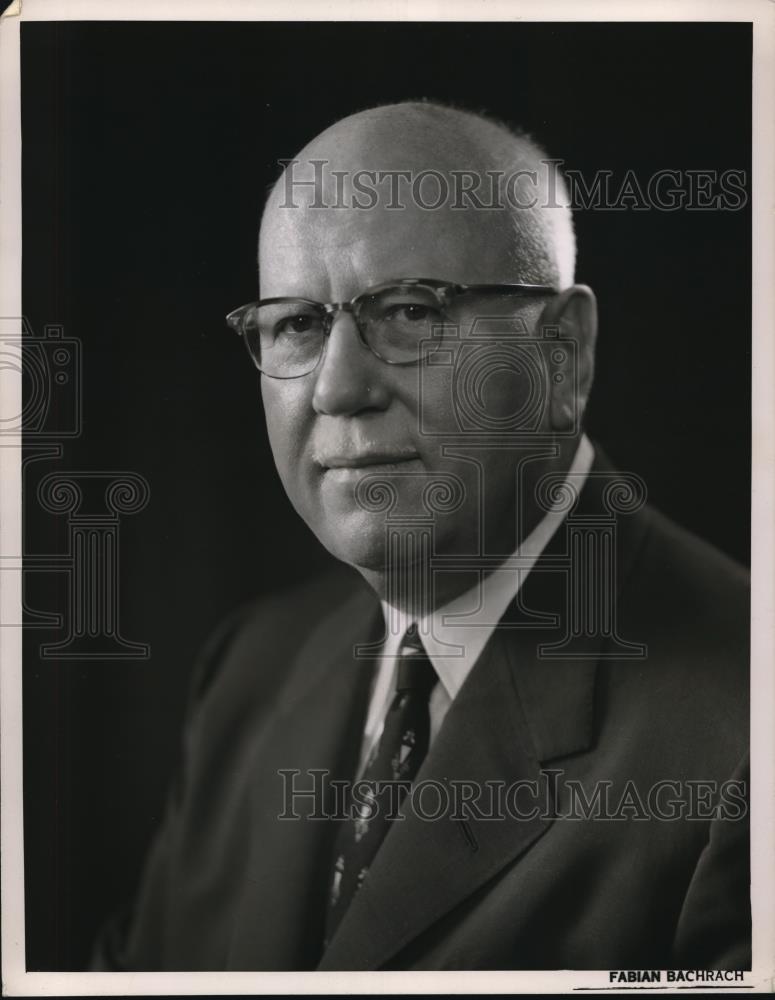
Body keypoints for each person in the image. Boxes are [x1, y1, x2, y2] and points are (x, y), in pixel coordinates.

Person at [92, 101, 749, 971]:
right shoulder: (249, 672)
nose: (335, 388)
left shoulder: (745, 740)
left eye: (405, 312)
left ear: (563, 356)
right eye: (296, 323)